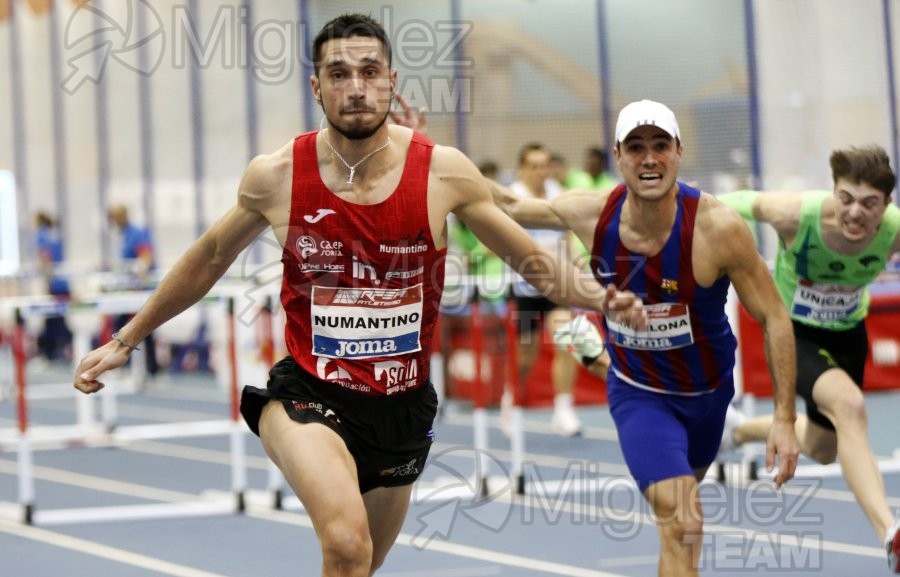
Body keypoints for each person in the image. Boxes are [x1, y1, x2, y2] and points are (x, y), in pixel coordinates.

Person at [73, 14, 646, 577]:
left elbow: (536, 264)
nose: (356, 88)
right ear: (316, 86)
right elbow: (209, 258)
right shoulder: (277, 176)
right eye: (339, 74)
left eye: (370, 72)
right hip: (309, 393)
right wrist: (128, 338)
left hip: (402, 404)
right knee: (346, 544)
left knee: (359, 564)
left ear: (392, 82)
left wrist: (605, 299)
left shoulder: (442, 172)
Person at [489, 99, 800, 577]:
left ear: (678, 151)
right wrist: (424, 156)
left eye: (660, 146)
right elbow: (507, 205)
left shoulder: (718, 229)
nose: (649, 158)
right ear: (619, 156)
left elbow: (775, 316)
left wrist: (783, 418)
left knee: (677, 537)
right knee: (684, 521)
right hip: (640, 395)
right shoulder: (591, 213)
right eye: (636, 147)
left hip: (708, 396)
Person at [717, 145, 900, 573]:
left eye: (869, 204)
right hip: (791, 333)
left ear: (886, 205)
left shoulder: (894, 231)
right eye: (846, 199)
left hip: (847, 336)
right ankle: (891, 534)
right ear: (833, 191)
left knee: (822, 447)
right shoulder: (794, 214)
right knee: (850, 407)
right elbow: (726, 206)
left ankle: (740, 431)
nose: (855, 214)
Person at [507, 142, 584, 436]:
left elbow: (567, 239)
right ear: (523, 169)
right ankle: (511, 400)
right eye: (534, 166)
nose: (541, 171)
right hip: (524, 288)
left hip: (555, 287)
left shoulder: (557, 195)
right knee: (526, 355)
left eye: (544, 165)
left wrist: (580, 264)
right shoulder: (513, 196)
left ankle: (563, 409)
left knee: (568, 339)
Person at [107, 203, 160, 376]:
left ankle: (150, 369)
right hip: (129, 289)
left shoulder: (136, 233)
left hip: (140, 289)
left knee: (137, 326)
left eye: (115, 217)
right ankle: (137, 366)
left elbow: (145, 257)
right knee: (127, 326)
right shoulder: (125, 235)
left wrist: (137, 279)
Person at [34, 211, 72, 362]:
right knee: (59, 317)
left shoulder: (41, 235)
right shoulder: (56, 236)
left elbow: (45, 258)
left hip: (54, 284)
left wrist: (47, 282)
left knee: (53, 318)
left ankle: (51, 353)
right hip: (63, 283)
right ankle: (59, 350)